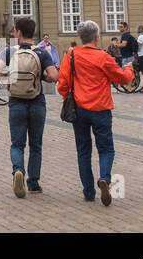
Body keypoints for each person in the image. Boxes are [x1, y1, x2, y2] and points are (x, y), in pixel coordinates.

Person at [56, 20, 133, 204]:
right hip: (101, 109)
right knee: (106, 148)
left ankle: (88, 192)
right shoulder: (103, 57)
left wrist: (69, 96)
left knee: (83, 151)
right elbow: (121, 78)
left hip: (79, 109)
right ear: (97, 38)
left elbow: (63, 83)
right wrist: (129, 69)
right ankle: (105, 178)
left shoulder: (71, 56)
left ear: (81, 37)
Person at [0, 17, 58, 197]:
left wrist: (8, 80)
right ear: (33, 32)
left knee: (17, 144)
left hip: (16, 103)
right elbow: (54, 75)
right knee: (36, 145)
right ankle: (34, 183)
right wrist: (40, 77)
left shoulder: (9, 52)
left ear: (18, 32)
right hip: (37, 102)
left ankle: (18, 171)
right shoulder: (42, 52)